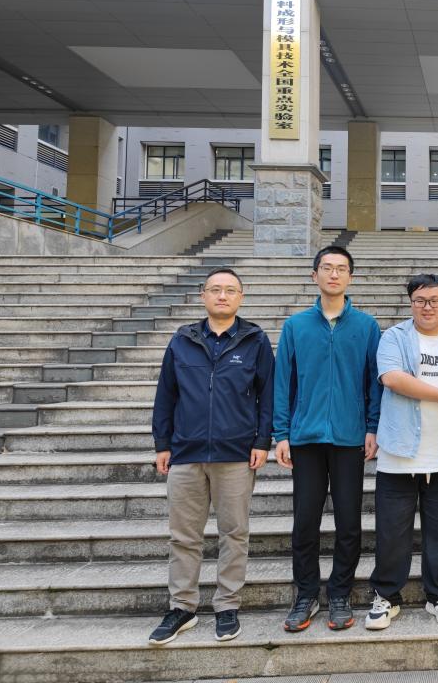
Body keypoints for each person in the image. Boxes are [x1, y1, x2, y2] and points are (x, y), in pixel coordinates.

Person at [149, 267, 274, 645]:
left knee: (234, 533)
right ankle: (182, 607)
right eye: (215, 289)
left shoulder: (255, 341)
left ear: (241, 297)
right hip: (186, 453)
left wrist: (262, 441)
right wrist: (162, 444)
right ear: (203, 295)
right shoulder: (182, 340)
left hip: (235, 454)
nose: (222, 296)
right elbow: (165, 395)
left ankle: (227, 605)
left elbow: (267, 395)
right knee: (183, 536)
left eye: (230, 290)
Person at [273, 245, 382, 632]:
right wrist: (281, 433)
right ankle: (306, 594)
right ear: (314, 275)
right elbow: (282, 383)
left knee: (349, 521)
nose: (334, 274)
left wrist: (372, 427)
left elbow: (374, 382)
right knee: (305, 521)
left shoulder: (366, 326)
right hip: (305, 438)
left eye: (341, 268)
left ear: (350, 277)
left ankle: (339, 593)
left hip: (350, 438)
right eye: (327, 267)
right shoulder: (295, 326)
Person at [364, 274, 438, 630]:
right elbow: (393, 379)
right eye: (420, 301)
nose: (428, 307)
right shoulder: (394, 337)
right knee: (392, 533)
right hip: (399, 452)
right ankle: (386, 596)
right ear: (411, 303)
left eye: (434, 300)